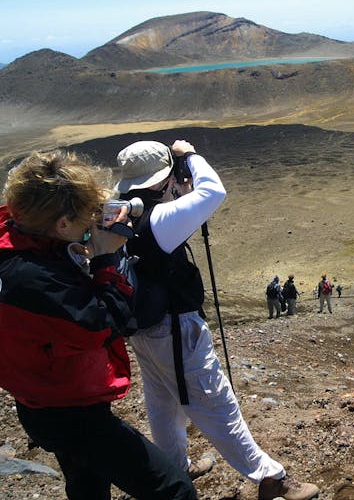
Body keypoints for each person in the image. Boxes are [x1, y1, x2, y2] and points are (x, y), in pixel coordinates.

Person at [115, 140, 319, 500]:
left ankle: (176, 470)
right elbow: (213, 191)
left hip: (146, 331)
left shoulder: (126, 214)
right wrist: (189, 157)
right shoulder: (160, 220)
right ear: (161, 181)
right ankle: (270, 477)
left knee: (164, 402)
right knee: (216, 402)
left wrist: (175, 191)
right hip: (176, 332)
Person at [0, 150, 196, 499]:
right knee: (174, 488)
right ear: (60, 224)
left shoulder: (17, 239)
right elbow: (104, 325)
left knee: (87, 483)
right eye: (83, 218)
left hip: (40, 398)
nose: (90, 225)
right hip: (69, 410)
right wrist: (106, 259)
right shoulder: (31, 280)